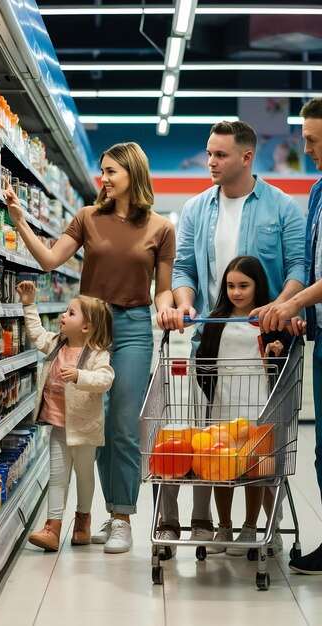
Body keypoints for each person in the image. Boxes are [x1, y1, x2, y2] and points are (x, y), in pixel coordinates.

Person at [5, 141, 176, 554]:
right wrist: (19, 221)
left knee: (122, 424)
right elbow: (49, 260)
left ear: (133, 173)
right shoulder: (87, 218)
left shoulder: (161, 228)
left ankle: (122, 518)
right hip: (92, 329)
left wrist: (171, 310)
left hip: (134, 328)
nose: (104, 178)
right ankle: (105, 512)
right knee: (92, 424)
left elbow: (164, 291)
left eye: (111, 171)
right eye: (103, 170)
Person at [156, 120, 306, 559]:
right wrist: (185, 302)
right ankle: (222, 525)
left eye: (220, 155)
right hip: (214, 343)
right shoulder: (198, 208)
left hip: (270, 343)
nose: (210, 162)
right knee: (219, 441)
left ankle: (267, 525)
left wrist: (282, 307)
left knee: (266, 441)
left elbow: (298, 266)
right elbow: (183, 269)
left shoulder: (281, 207)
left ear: (246, 157)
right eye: (208, 153)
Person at [253, 97, 322, 574]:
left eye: (314, 138)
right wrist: (299, 313)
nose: (306, 146)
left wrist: (294, 301)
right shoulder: (318, 191)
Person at [196, 256, 291, 555]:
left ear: (257, 286)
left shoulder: (268, 321)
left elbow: (278, 363)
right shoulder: (216, 320)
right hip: (222, 406)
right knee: (219, 470)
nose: (236, 292)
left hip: (257, 408)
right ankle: (224, 526)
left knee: (255, 470)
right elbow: (204, 361)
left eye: (244, 286)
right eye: (231, 286)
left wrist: (276, 351)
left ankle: (250, 527)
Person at [16, 280, 114, 551]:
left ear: (86, 327)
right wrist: (29, 304)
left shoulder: (96, 354)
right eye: (65, 312)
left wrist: (80, 375)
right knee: (57, 477)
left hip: (84, 430)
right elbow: (36, 335)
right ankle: (52, 527)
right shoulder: (57, 344)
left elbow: (105, 379)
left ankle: (82, 521)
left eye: (70, 313)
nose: (62, 316)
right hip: (59, 426)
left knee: (84, 476)